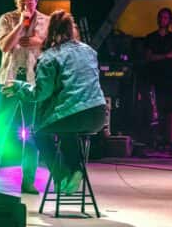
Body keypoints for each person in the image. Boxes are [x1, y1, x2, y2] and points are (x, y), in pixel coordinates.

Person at [6, 10, 106, 195]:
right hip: (98, 114)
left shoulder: (49, 57)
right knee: (67, 130)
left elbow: (40, 93)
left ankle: (61, 176)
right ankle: (76, 170)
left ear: (51, 32)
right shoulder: (90, 51)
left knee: (39, 132)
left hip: (72, 115)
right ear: (71, 29)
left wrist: (19, 87)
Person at [0, 0, 49, 195]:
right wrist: (20, 24)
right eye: (22, 3)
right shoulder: (7, 19)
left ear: (36, 0)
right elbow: (4, 46)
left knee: (32, 133)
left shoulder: (46, 21)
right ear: (16, 2)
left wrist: (38, 41)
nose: (26, 6)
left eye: (30, 2)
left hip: (33, 83)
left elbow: (52, 47)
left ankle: (28, 181)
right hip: (8, 81)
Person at [142, 7, 172, 153]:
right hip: (155, 77)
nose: (162, 20)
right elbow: (148, 57)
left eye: (166, 18)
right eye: (161, 17)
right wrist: (166, 56)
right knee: (156, 110)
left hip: (170, 78)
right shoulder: (151, 37)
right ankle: (157, 140)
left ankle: (171, 142)